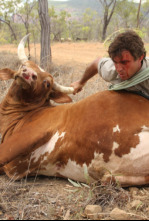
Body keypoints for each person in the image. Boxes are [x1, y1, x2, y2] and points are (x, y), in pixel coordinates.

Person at [71, 30, 149, 98]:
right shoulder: (111, 71)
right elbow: (96, 63)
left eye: (124, 62)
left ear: (140, 57)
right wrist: (81, 82)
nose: (119, 69)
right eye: (115, 62)